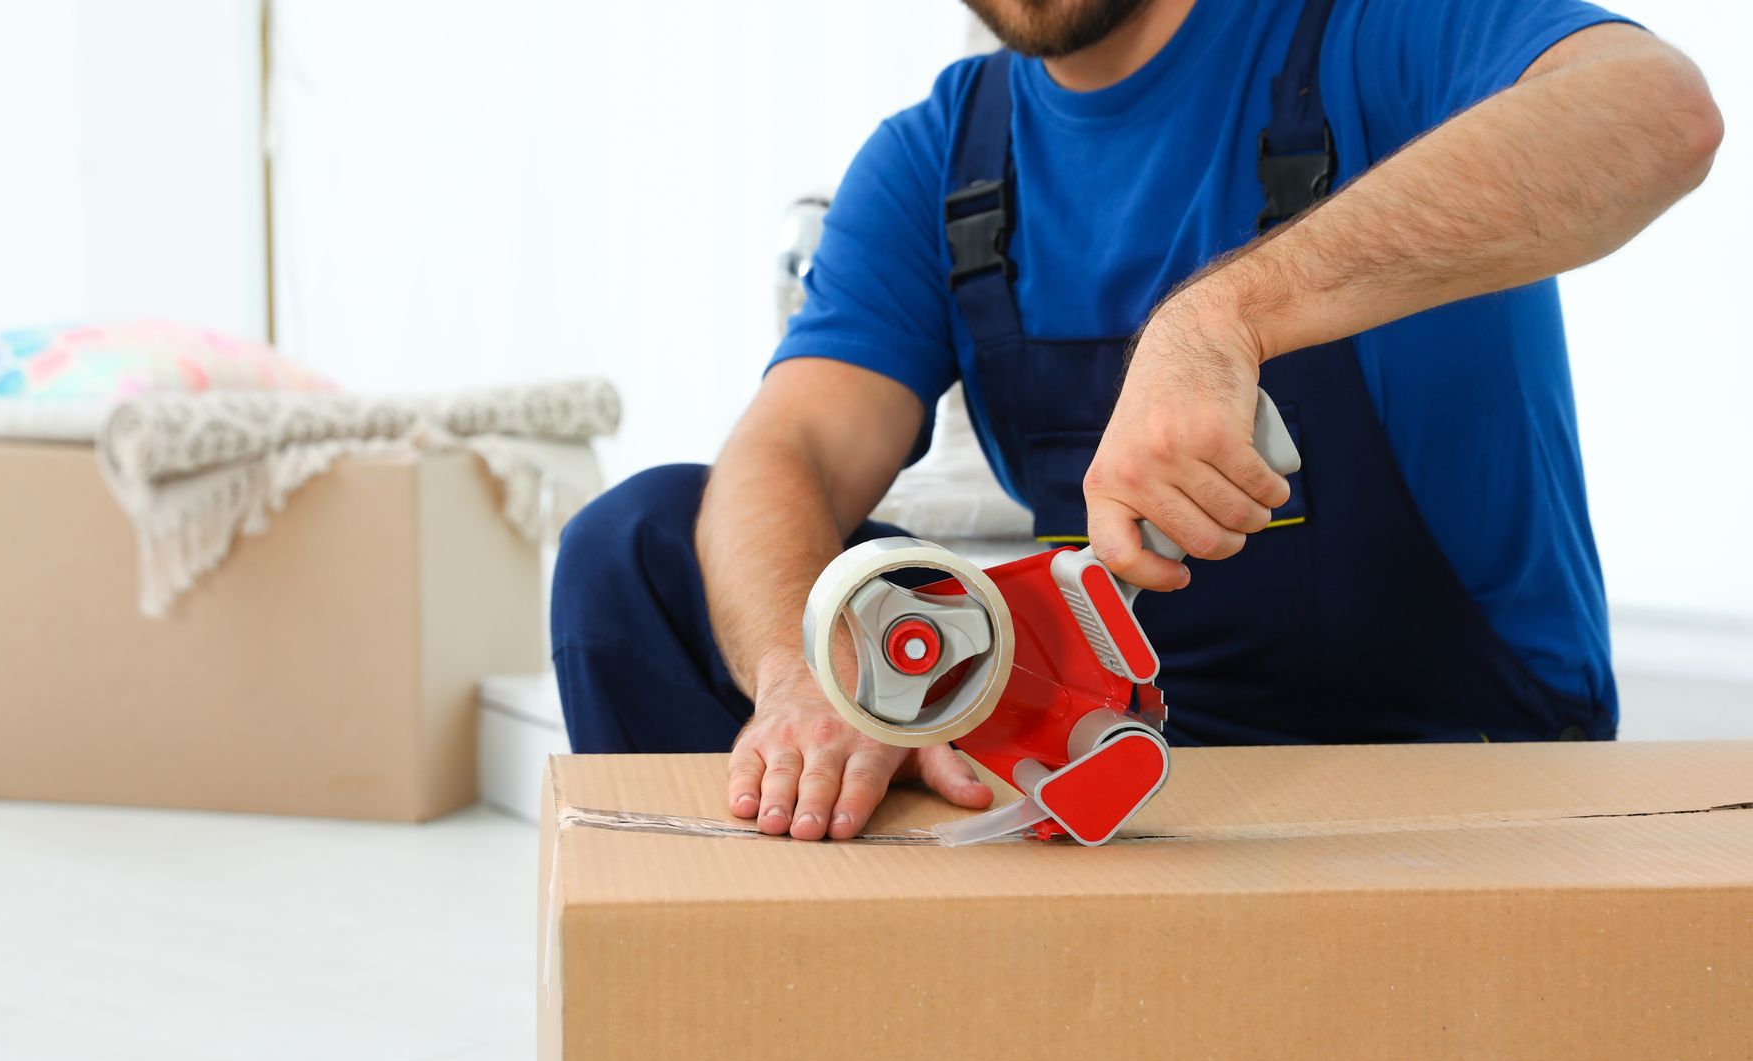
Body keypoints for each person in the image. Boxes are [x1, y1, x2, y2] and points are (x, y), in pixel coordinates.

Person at [551, 0, 1722, 840]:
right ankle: (783, 1039)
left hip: (1449, 742)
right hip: (1129, 730)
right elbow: (788, 446)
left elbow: (1656, 113)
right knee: (639, 546)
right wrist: (801, 677)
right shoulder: (937, 159)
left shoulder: (1374, 26)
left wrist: (1222, 320)